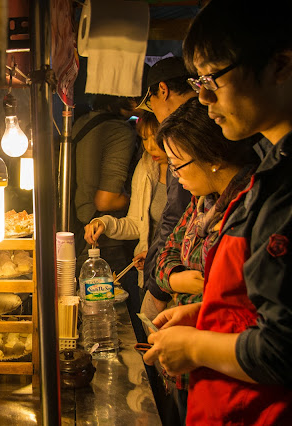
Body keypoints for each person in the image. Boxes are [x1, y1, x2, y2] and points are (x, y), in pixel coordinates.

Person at [144, 0, 292, 423]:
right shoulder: (269, 171)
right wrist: (206, 315)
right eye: (198, 81)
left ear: (280, 65)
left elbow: (282, 348)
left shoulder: (281, 185)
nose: (203, 97)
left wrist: (195, 346)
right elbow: (257, 306)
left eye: (212, 79)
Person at [152, 98, 259, 424]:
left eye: (178, 164)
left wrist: (198, 332)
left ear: (211, 158)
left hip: (239, 381)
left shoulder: (251, 208)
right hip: (197, 369)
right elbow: (164, 256)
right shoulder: (201, 204)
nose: (175, 175)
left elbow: (252, 313)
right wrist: (179, 282)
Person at [83, 111, 166, 341]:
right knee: (149, 342)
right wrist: (104, 222)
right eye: (145, 139)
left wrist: (157, 255)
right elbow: (136, 224)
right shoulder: (147, 166)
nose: (150, 146)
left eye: (156, 138)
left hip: (175, 279)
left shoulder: (187, 173)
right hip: (147, 276)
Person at [135, 57, 196, 322]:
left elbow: (175, 215)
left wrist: (159, 286)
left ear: (162, 90)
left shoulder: (187, 131)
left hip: (179, 282)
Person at [72, 94, 140, 327]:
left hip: (78, 230)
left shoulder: (83, 122)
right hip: (103, 241)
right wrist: (140, 202)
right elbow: (106, 201)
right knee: (110, 321)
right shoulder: (119, 131)